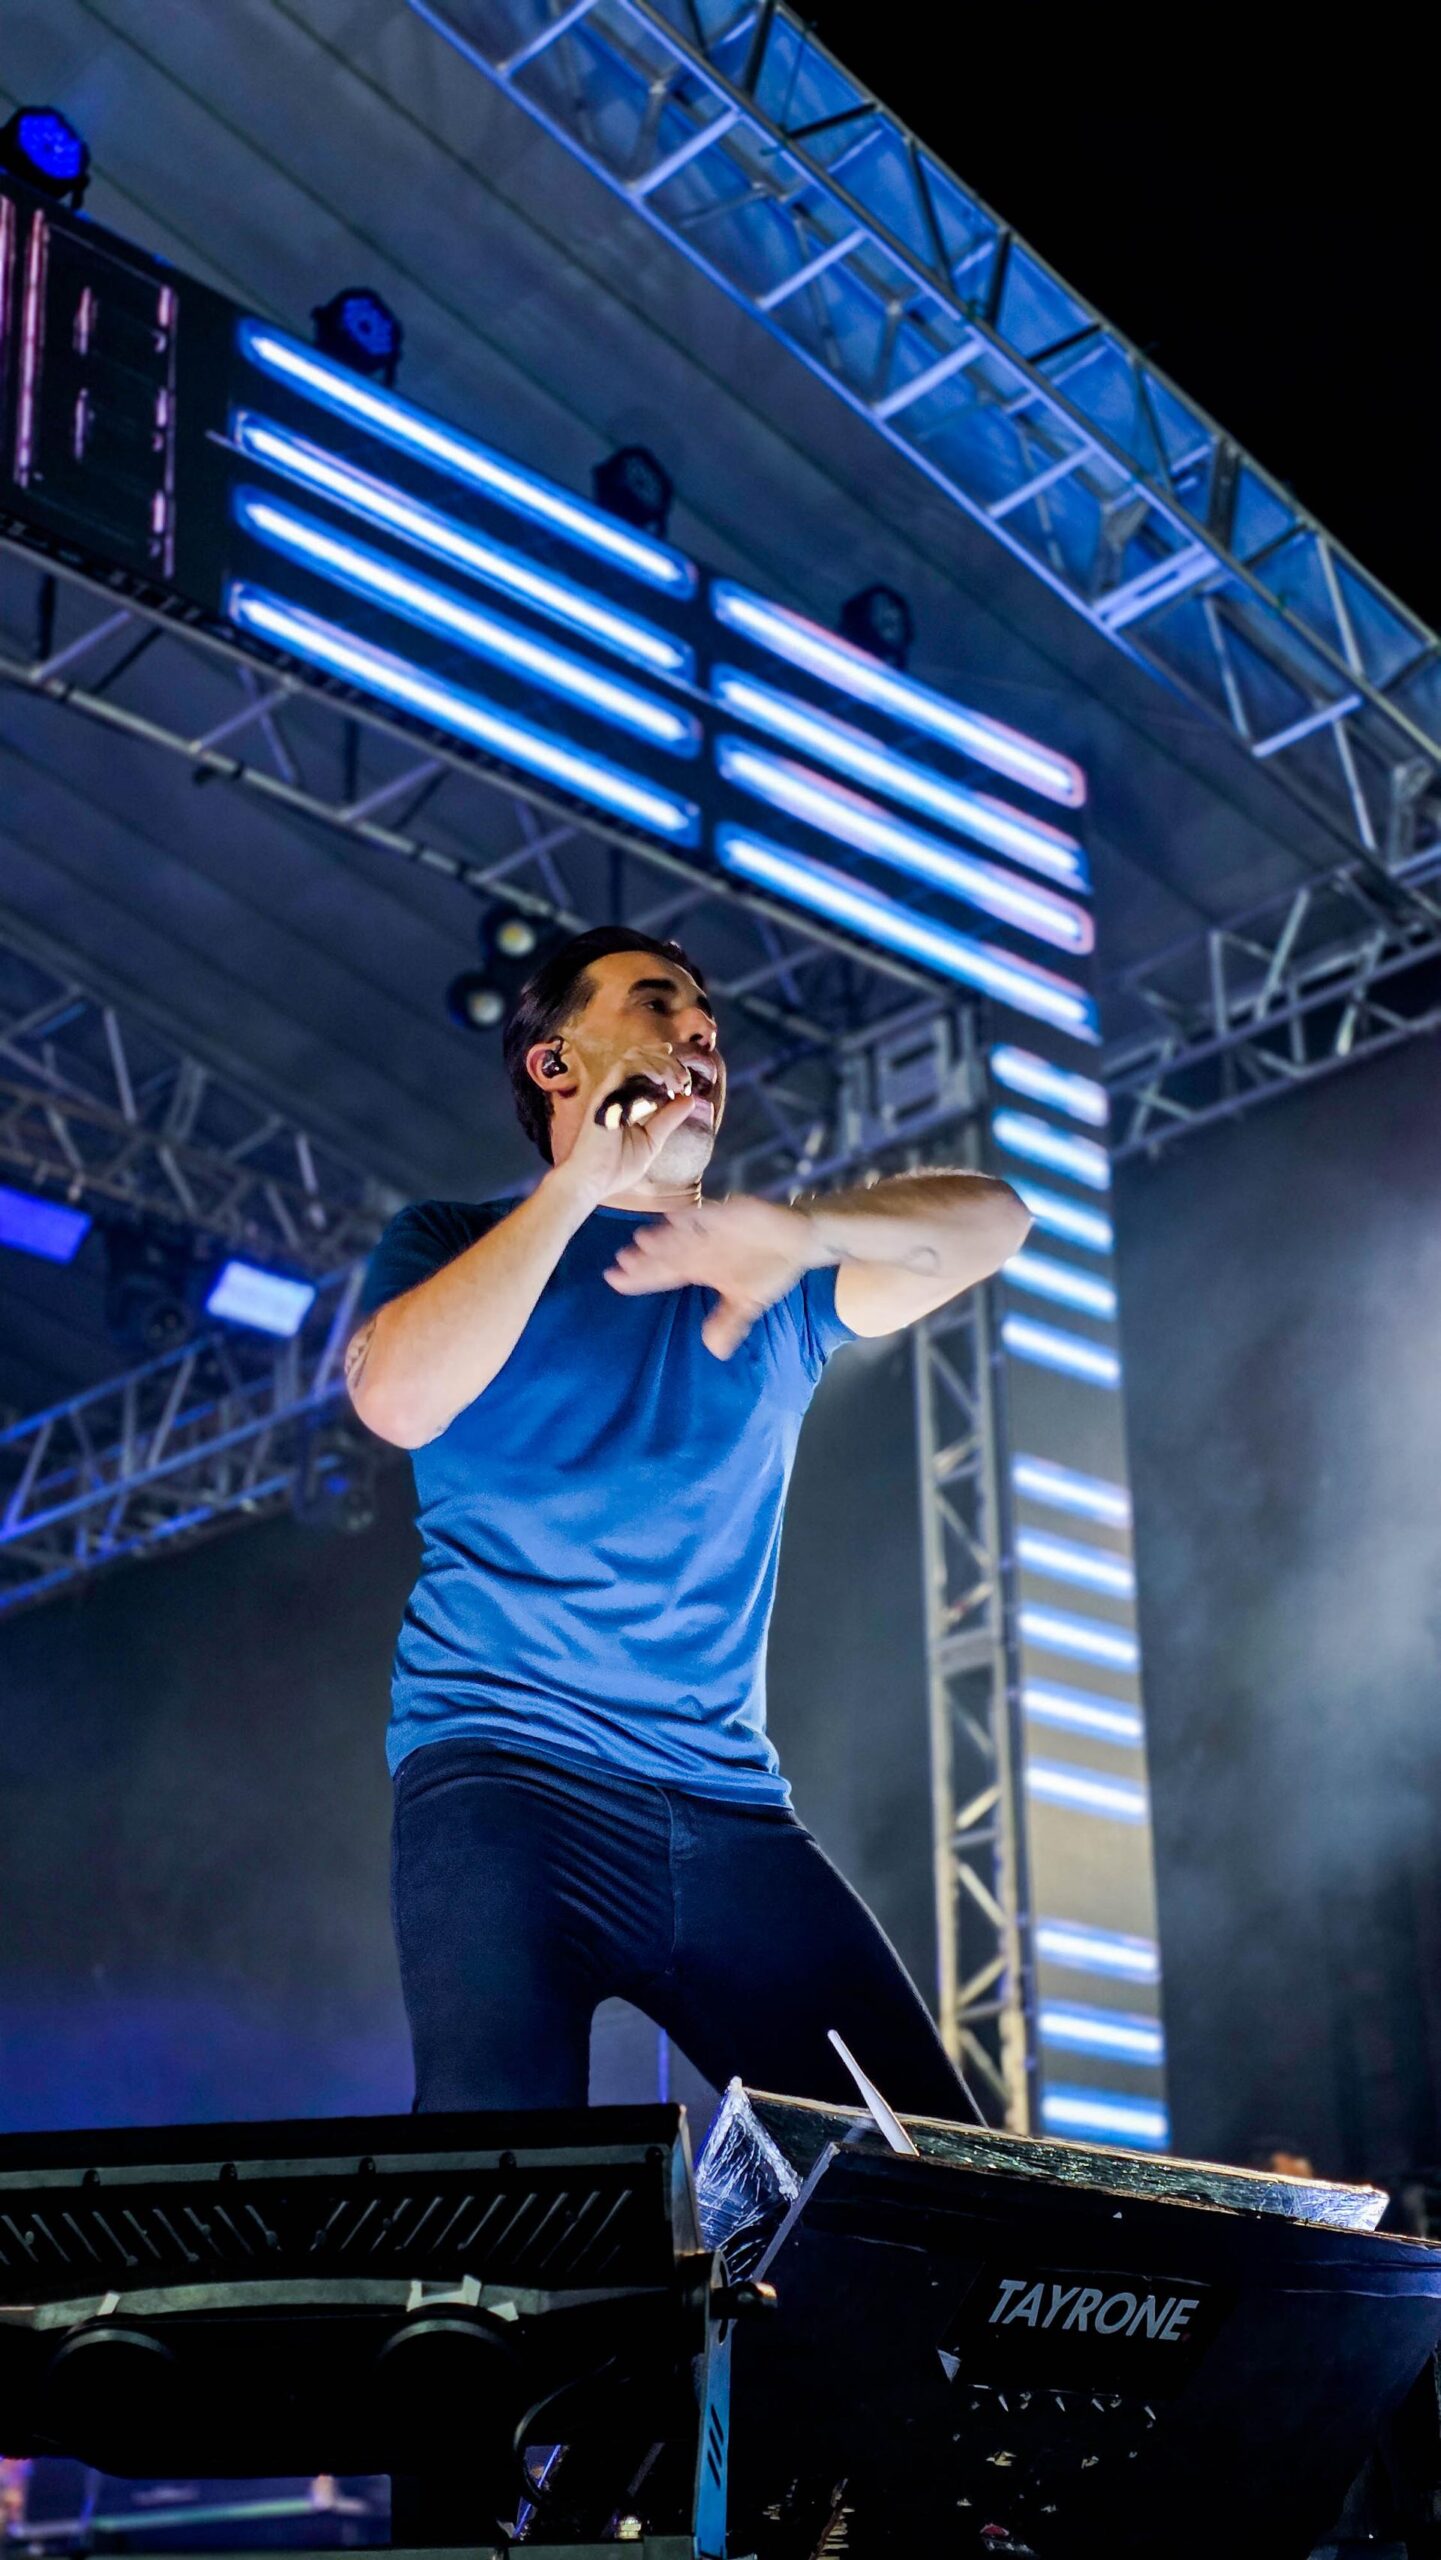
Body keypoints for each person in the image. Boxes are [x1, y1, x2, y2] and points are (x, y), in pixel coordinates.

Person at [346, 926, 1030, 2119]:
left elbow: (998, 1222)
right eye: (658, 1007)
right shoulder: (449, 1243)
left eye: (709, 1024)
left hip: (725, 1807)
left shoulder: (773, 1278)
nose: (699, 1035)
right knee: (496, 2158)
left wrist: (807, 1233)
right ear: (555, 1064)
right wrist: (579, 1187)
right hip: (501, 1775)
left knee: (930, 2161)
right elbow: (396, 1400)